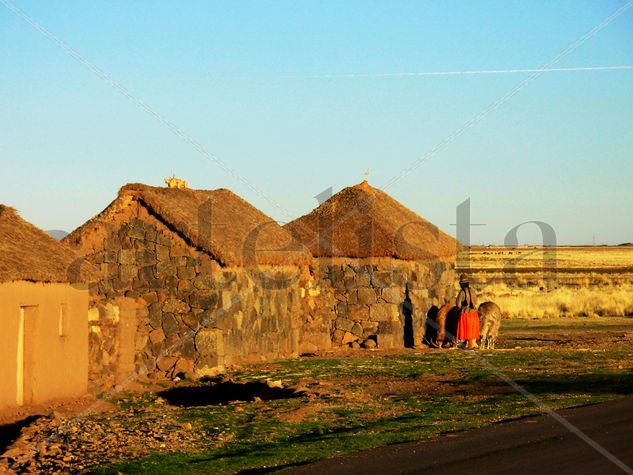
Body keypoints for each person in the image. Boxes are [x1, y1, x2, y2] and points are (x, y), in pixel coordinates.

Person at [456, 273, 479, 349]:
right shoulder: (472, 290)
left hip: (465, 314)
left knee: (466, 328)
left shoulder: (462, 292)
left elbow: (458, 304)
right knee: (472, 328)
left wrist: (462, 308)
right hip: (474, 313)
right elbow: (476, 301)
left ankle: (467, 344)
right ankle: (472, 343)